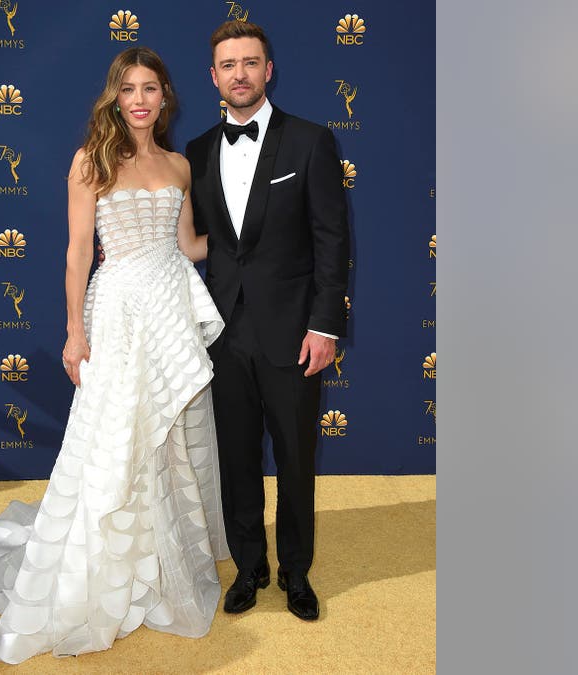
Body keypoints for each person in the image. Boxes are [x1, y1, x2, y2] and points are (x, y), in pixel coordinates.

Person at [0, 46, 229, 663]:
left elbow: (189, 247)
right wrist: (75, 331)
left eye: (152, 88)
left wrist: (254, 232)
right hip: (119, 311)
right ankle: (108, 567)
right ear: (115, 98)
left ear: (165, 97)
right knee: (117, 437)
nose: (142, 99)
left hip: (169, 310)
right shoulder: (90, 162)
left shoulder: (180, 166)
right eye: (130, 89)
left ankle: (163, 561)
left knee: (172, 433)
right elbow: (77, 252)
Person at [185, 20, 351, 622]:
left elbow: (332, 241)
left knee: (296, 459)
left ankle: (296, 573)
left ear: (268, 69)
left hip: (293, 332)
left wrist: (325, 325)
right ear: (214, 76)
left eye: (250, 63)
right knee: (235, 458)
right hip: (223, 332)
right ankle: (249, 567)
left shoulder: (310, 141)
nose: (240, 74)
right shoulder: (199, 150)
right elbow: (197, 240)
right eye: (228, 65)